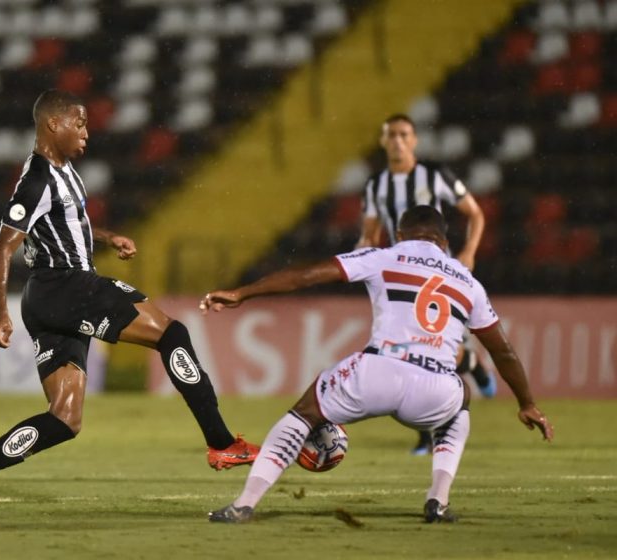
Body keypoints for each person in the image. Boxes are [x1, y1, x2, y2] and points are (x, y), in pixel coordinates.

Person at [0, 90, 258, 506]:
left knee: (64, 420)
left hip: (50, 299)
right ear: (53, 124)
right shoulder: (37, 178)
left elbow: (69, 224)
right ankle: (221, 443)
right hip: (67, 287)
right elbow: (2, 248)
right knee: (172, 334)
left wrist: (109, 238)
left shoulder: (65, 172)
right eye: (80, 123)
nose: (87, 133)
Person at [201, 205, 553, 524]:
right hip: (435, 389)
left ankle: (245, 504)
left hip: (379, 371)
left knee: (304, 414)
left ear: (399, 234)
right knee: (460, 402)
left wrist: (242, 293)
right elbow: (503, 351)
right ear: (444, 241)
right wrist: (527, 403)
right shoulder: (468, 282)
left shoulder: (385, 255)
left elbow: (307, 276)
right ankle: (438, 501)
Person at [358, 113, 497, 455]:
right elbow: (370, 232)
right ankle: (428, 429)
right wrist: (363, 252)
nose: (398, 141)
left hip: (438, 274)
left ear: (415, 139)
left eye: (404, 134)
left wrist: (468, 251)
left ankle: (471, 370)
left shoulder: (435, 176)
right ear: (382, 140)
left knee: (436, 348)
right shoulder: (376, 185)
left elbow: (476, 213)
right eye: (391, 135)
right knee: (404, 349)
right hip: (399, 278)